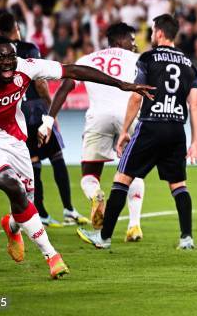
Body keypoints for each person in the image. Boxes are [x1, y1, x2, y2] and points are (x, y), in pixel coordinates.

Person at [0, 36, 153, 279]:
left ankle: (11, 226)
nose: (8, 62)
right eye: (0, 57)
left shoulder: (26, 66)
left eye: (11, 56)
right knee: (12, 185)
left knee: (25, 199)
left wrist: (122, 85)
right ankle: (52, 256)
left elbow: (73, 71)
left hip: (15, 140)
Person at [76, 14, 197, 250]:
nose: (151, 36)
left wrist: (125, 130)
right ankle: (187, 238)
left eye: (153, 31)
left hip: (150, 125)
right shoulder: (188, 63)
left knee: (121, 179)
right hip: (176, 128)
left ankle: (103, 238)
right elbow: (194, 104)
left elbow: (136, 95)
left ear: (160, 33)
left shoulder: (148, 58)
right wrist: (195, 141)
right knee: (178, 185)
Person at [40, 22, 145, 242]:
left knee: (89, 175)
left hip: (97, 118)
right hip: (129, 116)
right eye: (132, 41)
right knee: (132, 171)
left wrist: (48, 120)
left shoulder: (87, 60)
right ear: (120, 41)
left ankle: (96, 195)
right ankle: (134, 226)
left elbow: (64, 88)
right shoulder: (138, 60)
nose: (135, 45)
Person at [0, 12, 87, 227]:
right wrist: (51, 113)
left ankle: (42, 212)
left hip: (16, 115)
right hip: (36, 110)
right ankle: (68, 210)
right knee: (57, 158)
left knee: (33, 163)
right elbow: (41, 83)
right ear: (16, 27)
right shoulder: (28, 48)